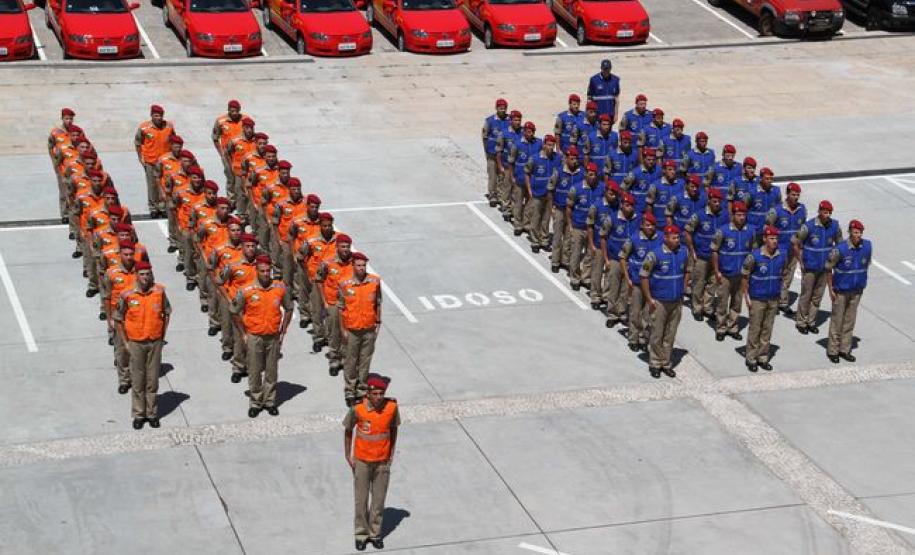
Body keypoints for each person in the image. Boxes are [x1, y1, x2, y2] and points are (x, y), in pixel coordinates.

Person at [231, 254, 293, 417]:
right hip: (254, 336)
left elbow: (289, 308)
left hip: (273, 336)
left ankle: (270, 401)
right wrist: (243, 333)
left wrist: (283, 330)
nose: (266, 274)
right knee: (254, 370)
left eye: (268, 270)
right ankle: (256, 401)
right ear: (256, 271)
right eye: (263, 271)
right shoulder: (246, 290)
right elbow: (234, 311)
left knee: (271, 371)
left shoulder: (280, 287)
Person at [343, 374, 399, 552]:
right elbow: (347, 430)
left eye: (382, 393)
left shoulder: (392, 407)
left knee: (378, 500)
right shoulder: (358, 409)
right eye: (376, 393)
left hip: (382, 461)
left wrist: (391, 453)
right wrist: (348, 455)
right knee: (361, 500)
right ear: (368, 393)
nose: (379, 397)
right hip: (362, 461)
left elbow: (394, 429)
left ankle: (375, 534)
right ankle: (361, 534)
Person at [113, 261, 170, 430]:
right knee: (138, 380)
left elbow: (167, 312)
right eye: (142, 274)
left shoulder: (159, 291)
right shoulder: (127, 294)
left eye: (148, 274)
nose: (145, 277)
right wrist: (125, 342)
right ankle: (139, 414)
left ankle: (151, 413)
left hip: (154, 342)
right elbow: (118, 318)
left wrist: (162, 335)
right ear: (136, 275)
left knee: (152, 380)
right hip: (136, 342)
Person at [641, 224, 689, 378]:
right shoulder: (653, 255)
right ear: (666, 238)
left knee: (670, 333)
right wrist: (649, 299)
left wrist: (683, 288)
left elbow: (688, 270)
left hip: (676, 301)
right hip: (659, 301)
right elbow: (644, 276)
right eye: (674, 238)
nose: (677, 240)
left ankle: (666, 362)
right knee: (657, 334)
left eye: (678, 237)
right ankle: (655, 363)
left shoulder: (683, 252)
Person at [338, 252, 382, 405]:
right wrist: (342, 329)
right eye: (359, 265)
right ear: (353, 266)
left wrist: (378, 323)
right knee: (350, 361)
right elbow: (340, 308)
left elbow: (378, 303)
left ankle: (362, 390)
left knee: (365, 361)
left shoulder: (375, 282)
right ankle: (350, 391)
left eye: (364, 265)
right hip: (352, 329)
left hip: (369, 328)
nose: (362, 268)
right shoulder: (344, 284)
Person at [793, 200, 842, 335]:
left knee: (817, 297)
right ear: (819, 211)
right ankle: (801, 322)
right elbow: (795, 243)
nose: (827, 215)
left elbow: (840, 245)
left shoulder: (835, 226)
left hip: (825, 268)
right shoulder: (808, 226)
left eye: (829, 213)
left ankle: (811, 321)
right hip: (810, 267)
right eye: (825, 212)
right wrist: (801, 262)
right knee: (806, 295)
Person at [825, 220, 871, 363]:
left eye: (860, 233)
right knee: (837, 321)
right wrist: (830, 289)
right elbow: (828, 268)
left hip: (856, 290)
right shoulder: (840, 249)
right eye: (856, 232)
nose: (858, 235)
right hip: (841, 290)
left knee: (850, 321)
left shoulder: (867, 246)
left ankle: (844, 349)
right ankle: (833, 350)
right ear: (850, 232)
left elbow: (866, 264)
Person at [711, 201, 757, 341]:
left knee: (737, 303)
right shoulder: (723, 231)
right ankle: (721, 328)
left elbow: (753, 251)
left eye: (743, 215)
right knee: (722, 303)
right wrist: (717, 271)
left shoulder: (750, 231)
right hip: (725, 274)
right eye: (739, 215)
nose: (741, 217)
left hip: (741, 275)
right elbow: (714, 251)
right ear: (733, 215)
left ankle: (733, 327)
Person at [741, 226, 785, 372]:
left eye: (776, 238)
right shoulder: (754, 256)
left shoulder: (781, 255)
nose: (775, 241)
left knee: (767, 328)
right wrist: (746, 297)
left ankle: (763, 357)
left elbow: (782, 275)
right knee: (755, 328)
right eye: (772, 238)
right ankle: (751, 358)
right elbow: (745, 277)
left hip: (773, 298)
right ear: (765, 239)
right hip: (758, 298)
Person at [684, 188, 729, 321]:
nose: (717, 204)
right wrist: (692, 250)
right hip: (701, 255)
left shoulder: (724, 215)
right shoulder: (699, 215)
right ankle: (697, 307)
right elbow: (687, 232)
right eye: (714, 201)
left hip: (716, 257)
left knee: (713, 283)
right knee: (699, 283)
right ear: (709, 200)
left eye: (719, 202)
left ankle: (707, 307)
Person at [219, 233, 260, 380]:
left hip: (255, 306)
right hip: (239, 305)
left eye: (253, 246)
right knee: (239, 336)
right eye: (247, 246)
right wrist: (229, 299)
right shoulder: (233, 266)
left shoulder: (261, 265)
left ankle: (251, 366)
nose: (250, 249)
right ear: (242, 247)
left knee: (253, 337)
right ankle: (238, 367)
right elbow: (220, 282)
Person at [620, 213, 662, 352]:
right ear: (642, 225)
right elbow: (622, 257)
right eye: (648, 225)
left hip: (653, 284)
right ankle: (633, 338)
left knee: (648, 314)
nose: (651, 228)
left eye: (653, 225)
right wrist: (627, 278)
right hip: (637, 282)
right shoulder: (633, 239)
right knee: (635, 312)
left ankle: (644, 338)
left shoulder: (660, 238)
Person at [101, 241, 139, 392]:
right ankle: (124, 380)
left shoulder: (141, 271)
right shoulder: (111, 273)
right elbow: (107, 296)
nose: (129, 257)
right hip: (119, 316)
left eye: (131, 254)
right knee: (121, 350)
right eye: (126, 254)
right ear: (120, 255)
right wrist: (109, 318)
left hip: (136, 316)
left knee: (136, 349)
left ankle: (135, 377)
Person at [304, 213, 343, 353]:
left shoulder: (339, 239)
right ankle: (319, 337)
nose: (327, 228)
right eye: (324, 225)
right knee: (316, 309)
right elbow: (302, 257)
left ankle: (331, 338)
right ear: (320, 225)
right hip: (317, 280)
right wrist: (309, 273)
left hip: (333, 282)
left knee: (332, 313)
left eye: (329, 225)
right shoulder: (312, 240)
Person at [316, 234, 354, 375]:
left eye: (347, 247)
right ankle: (334, 359)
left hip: (350, 305)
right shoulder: (328, 263)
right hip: (332, 303)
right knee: (334, 332)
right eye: (343, 246)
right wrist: (324, 301)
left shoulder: (355, 262)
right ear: (337, 247)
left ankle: (345, 358)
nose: (345, 249)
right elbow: (319, 279)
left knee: (348, 333)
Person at [600, 191, 639, 327]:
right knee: (614, 286)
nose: (629, 207)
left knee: (625, 288)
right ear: (621, 205)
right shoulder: (612, 219)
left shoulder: (637, 220)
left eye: (631, 205)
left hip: (630, 260)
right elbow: (603, 238)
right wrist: (606, 259)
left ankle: (622, 312)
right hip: (615, 258)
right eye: (627, 205)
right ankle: (612, 313)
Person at [769, 182, 807, 316]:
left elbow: (803, 229)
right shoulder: (777, 210)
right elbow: (768, 229)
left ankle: (783, 302)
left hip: (793, 249)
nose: (796, 197)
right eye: (793, 195)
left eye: (797, 195)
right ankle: (772, 303)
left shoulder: (802, 209)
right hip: (779, 249)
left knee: (788, 275)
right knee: (776, 275)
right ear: (787, 194)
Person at [565, 163, 605, 290]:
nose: (593, 177)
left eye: (595, 175)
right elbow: (569, 208)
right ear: (585, 174)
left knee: (590, 254)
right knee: (576, 253)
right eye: (590, 174)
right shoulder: (576, 189)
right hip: (578, 225)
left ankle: (586, 277)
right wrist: (570, 225)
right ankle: (575, 277)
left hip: (593, 229)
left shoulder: (602, 188)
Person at [134, 104, 175, 217]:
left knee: (164, 184)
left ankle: (162, 207)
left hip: (165, 162)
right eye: (156, 115)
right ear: (151, 115)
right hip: (151, 161)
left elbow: (173, 142)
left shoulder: (169, 126)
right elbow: (138, 142)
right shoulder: (144, 128)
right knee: (152, 185)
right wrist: (140, 158)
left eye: (160, 116)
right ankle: (153, 208)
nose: (159, 118)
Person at [524, 134, 560, 253]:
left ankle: (544, 240)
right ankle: (535, 241)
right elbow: (527, 173)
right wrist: (529, 190)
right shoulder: (535, 158)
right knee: (536, 217)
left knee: (546, 218)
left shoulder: (557, 158)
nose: (551, 148)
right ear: (544, 145)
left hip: (550, 195)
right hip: (537, 193)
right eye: (549, 145)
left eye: (553, 145)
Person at [549, 148, 583, 273]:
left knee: (569, 236)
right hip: (559, 207)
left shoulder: (581, 173)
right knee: (557, 235)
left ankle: (565, 260)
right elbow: (551, 189)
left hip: (573, 211)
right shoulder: (558, 172)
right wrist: (551, 207)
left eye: (575, 159)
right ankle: (555, 261)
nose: (574, 162)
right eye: (572, 159)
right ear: (567, 158)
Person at [509, 121, 541, 236]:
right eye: (528, 131)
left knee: (529, 202)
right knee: (518, 202)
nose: (531, 134)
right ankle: (517, 224)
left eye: (532, 131)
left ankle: (526, 223)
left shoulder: (538, 143)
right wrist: (512, 176)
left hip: (532, 180)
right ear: (524, 132)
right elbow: (511, 162)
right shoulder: (517, 145)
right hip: (519, 178)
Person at [212, 99, 248, 192]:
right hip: (228, 155)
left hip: (242, 155)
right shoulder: (221, 121)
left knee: (242, 178)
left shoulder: (245, 120)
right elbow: (215, 137)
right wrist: (221, 153)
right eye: (232, 111)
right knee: (231, 178)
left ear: (240, 110)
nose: (235, 113)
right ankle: (231, 201)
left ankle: (242, 198)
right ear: (228, 110)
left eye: (237, 111)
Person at [495, 110, 523, 220]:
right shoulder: (504, 133)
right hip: (507, 165)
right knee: (507, 187)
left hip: (518, 167)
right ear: (510, 120)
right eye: (515, 120)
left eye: (519, 120)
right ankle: (506, 207)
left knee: (516, 190)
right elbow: (499, 151)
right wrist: (500, 166)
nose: (518, 122)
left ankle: (513, 208)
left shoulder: (522, 133)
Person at [482, 99, 510, 207]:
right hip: (492, 153)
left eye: (504, 108)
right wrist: (486, 151)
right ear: (496, 108)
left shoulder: (509, 120)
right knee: (492, 174)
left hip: (503, 154)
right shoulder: (490, 121)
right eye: (500, 107)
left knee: (502, 175)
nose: (502, 109)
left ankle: (500, 194)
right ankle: (492, 195)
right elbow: (484, 136)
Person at [583, 114, 618, 178]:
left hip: (609, 173)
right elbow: (586, 155)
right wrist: (587, 171)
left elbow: (616, 154)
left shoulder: (614, 136)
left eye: (608, 124)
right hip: (595, 172)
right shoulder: (591, 137)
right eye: (604, 124)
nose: (606, 127)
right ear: (599, 125)